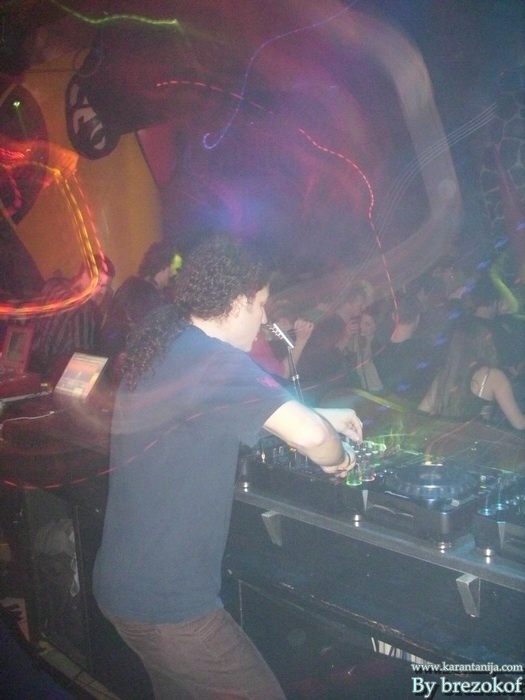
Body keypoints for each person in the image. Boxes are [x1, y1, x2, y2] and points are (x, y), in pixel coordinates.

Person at [92, 234, 363, 700]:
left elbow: (242, 408)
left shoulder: (174, 343)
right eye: (260, 304)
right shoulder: (214, 362)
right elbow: (312, 439)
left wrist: (320, 413)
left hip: (126, 587)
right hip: (170, 607)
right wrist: (340, 460)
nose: (264, 318)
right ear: (237, 303)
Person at [418, 321, 525, 431]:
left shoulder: (446, 373)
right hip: (474, 439)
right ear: (486, 345)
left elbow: (422, 412)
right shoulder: (493, 376)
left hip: (444, 437)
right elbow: (519, 423)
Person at [29, 253, 115, 383]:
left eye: (106, 287)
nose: (103, 292)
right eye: (100, 284)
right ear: (85, 275)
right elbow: (83, 361)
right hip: (52, 379)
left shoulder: (53, 285)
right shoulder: (84, 309)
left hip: (29, 367)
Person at [100, 240, 179, 358]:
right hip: (125, 361)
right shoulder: (149, 296)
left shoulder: (129, 285)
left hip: (108, 357)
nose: (175, 273)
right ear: (163, 267)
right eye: (173, 268)